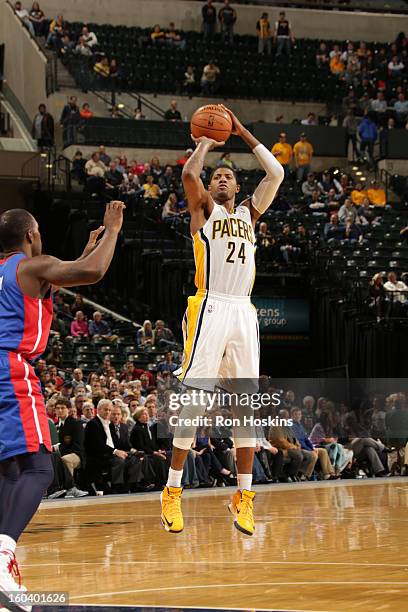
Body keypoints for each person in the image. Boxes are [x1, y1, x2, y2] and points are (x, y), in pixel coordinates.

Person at [160, 105, 284, 537]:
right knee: (193, 402)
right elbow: (190, 178)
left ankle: (244, 496)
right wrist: (206, 143)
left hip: (243, 311)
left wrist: (242, 131)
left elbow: (276, 174)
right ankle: (173, 490)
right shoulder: (204, 211)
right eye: (218, 176)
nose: (222, 178)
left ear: (239, 184)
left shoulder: (250, 214)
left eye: (229, 175)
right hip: (210, 305)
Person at [0, 202, 125, 609]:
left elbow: (71, 269)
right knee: (39, 467)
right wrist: (113, 230)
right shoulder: (31, 266)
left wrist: (90, 247)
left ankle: (4, 574)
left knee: (11, 469)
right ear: (31, 236)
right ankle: (2, 557)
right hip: (10, 368)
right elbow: (92, 273)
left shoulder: (8, 272)